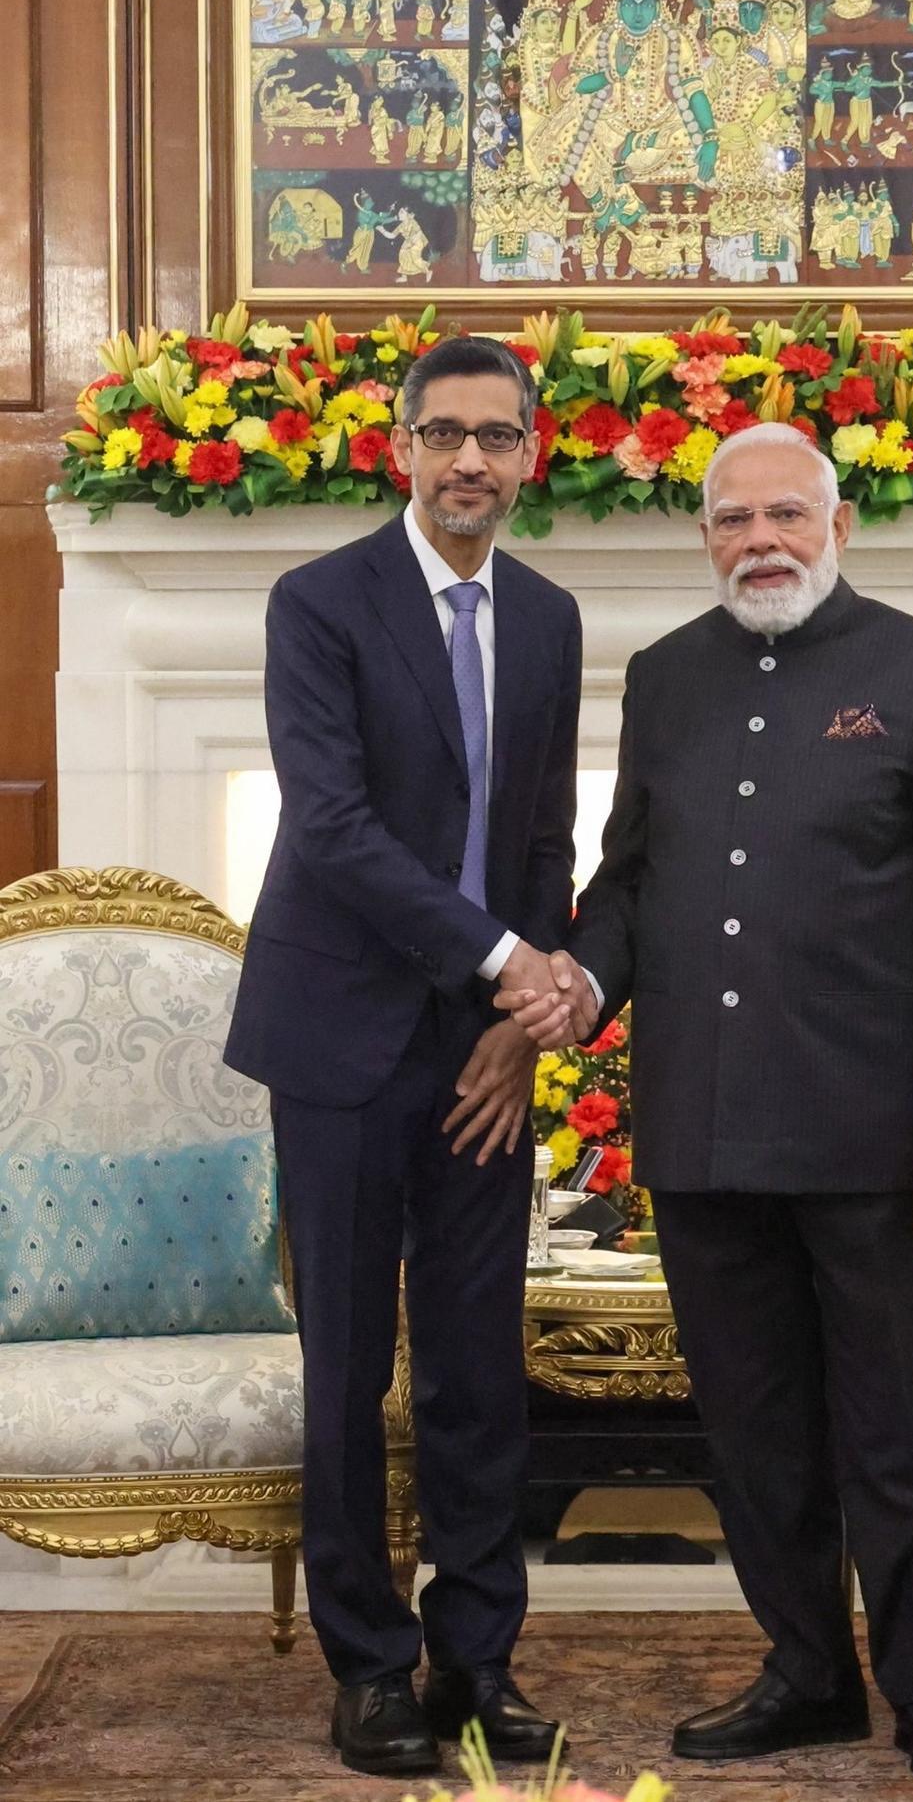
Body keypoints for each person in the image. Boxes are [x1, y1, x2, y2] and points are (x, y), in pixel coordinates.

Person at [500, 423, 913, 1786]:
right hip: (705, 1129)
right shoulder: (664, 676)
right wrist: (580, 981)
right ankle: (807, 1673)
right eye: (734, 520)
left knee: (906, 1427)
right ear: (705, 538)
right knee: (753, 1433)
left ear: (838, 526)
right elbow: (630, 880)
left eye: (787, 514)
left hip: (879, 1138)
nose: (761, 541)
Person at [225, 337, 594, 1780]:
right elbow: (333, 830)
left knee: (475, 1366)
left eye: (496, 437)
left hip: (478, 1054)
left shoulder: (550, 619)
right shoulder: (318, 603)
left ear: (530, 457)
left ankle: (476, 1661)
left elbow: (547, 838)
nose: (469, 462)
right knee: (345, 1369)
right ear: (400, 450)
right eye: (444, 434)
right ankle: (370, 1668)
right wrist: (508, 965)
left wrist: (515, 1024)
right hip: (338, 1038)